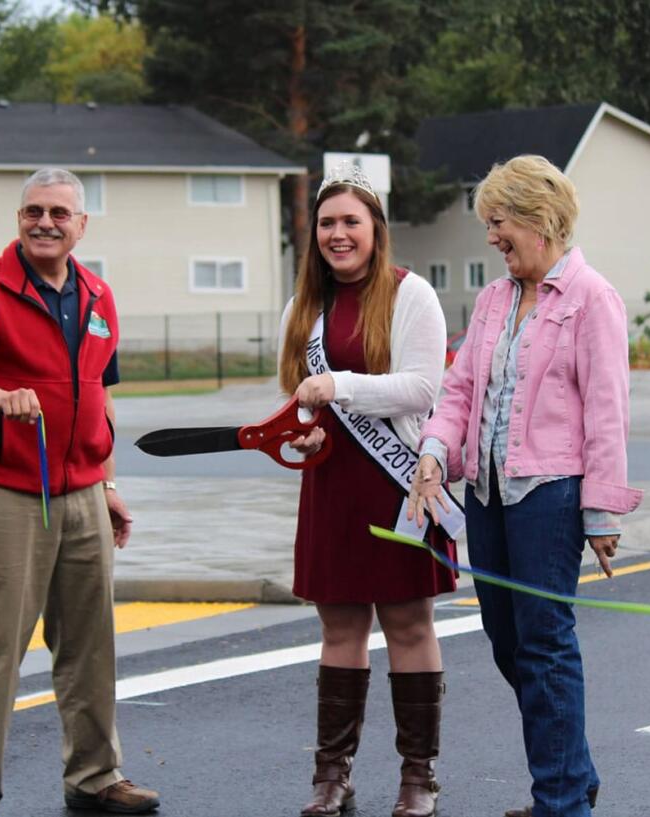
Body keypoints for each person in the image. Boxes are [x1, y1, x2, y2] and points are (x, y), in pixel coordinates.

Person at [410, 154, 642, 817]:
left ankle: (562, 800)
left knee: (544, 643)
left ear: (540, 219)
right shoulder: (493, 299)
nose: (491, 237)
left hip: (550, 496)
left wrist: (601, 513)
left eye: (499, 222)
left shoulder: (592, 298)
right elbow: (459, 392)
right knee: (508, 642)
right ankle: (573, 772)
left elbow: (607, 413)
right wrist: (433, 452)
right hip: (485, 494)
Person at [0, 168, 160, 817]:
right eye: (33, 210)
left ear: (81, 224)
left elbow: (100, 393)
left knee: (91, 643)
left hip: (84, 490)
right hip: (6, 492)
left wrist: (108, 481)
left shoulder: (98, 295)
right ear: (19, 218)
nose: (45, 222)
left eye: (59, 211)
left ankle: (95, 773)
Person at [278, 162, 456, 817]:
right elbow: (297, 399)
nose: (337, 233)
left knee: (409, 623)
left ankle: (418, 776)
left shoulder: (411, 295)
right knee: (339, 626)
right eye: (326, 222)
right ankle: (332, 775)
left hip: (399, 482)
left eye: (350, 221)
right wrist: (303, 435)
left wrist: (341, 385)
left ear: (376, 229)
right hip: (331, 485)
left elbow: (422, 388)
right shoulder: (304, 305)